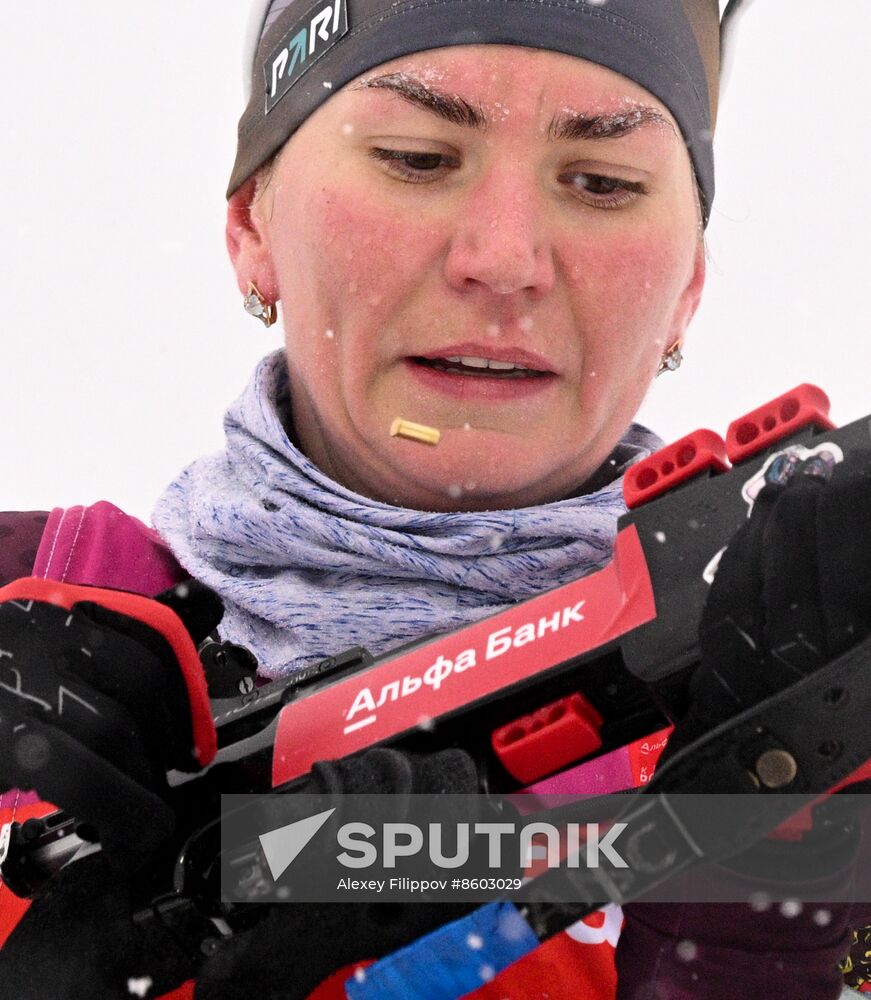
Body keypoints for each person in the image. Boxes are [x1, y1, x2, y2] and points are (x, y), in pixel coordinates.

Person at [1, 0, 870, 997]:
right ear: (251, 224)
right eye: (416, 159)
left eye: (602, 182)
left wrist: (759, 899)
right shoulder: (29, 619)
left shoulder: (824, 684)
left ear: (687, 287)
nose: (503, 261)